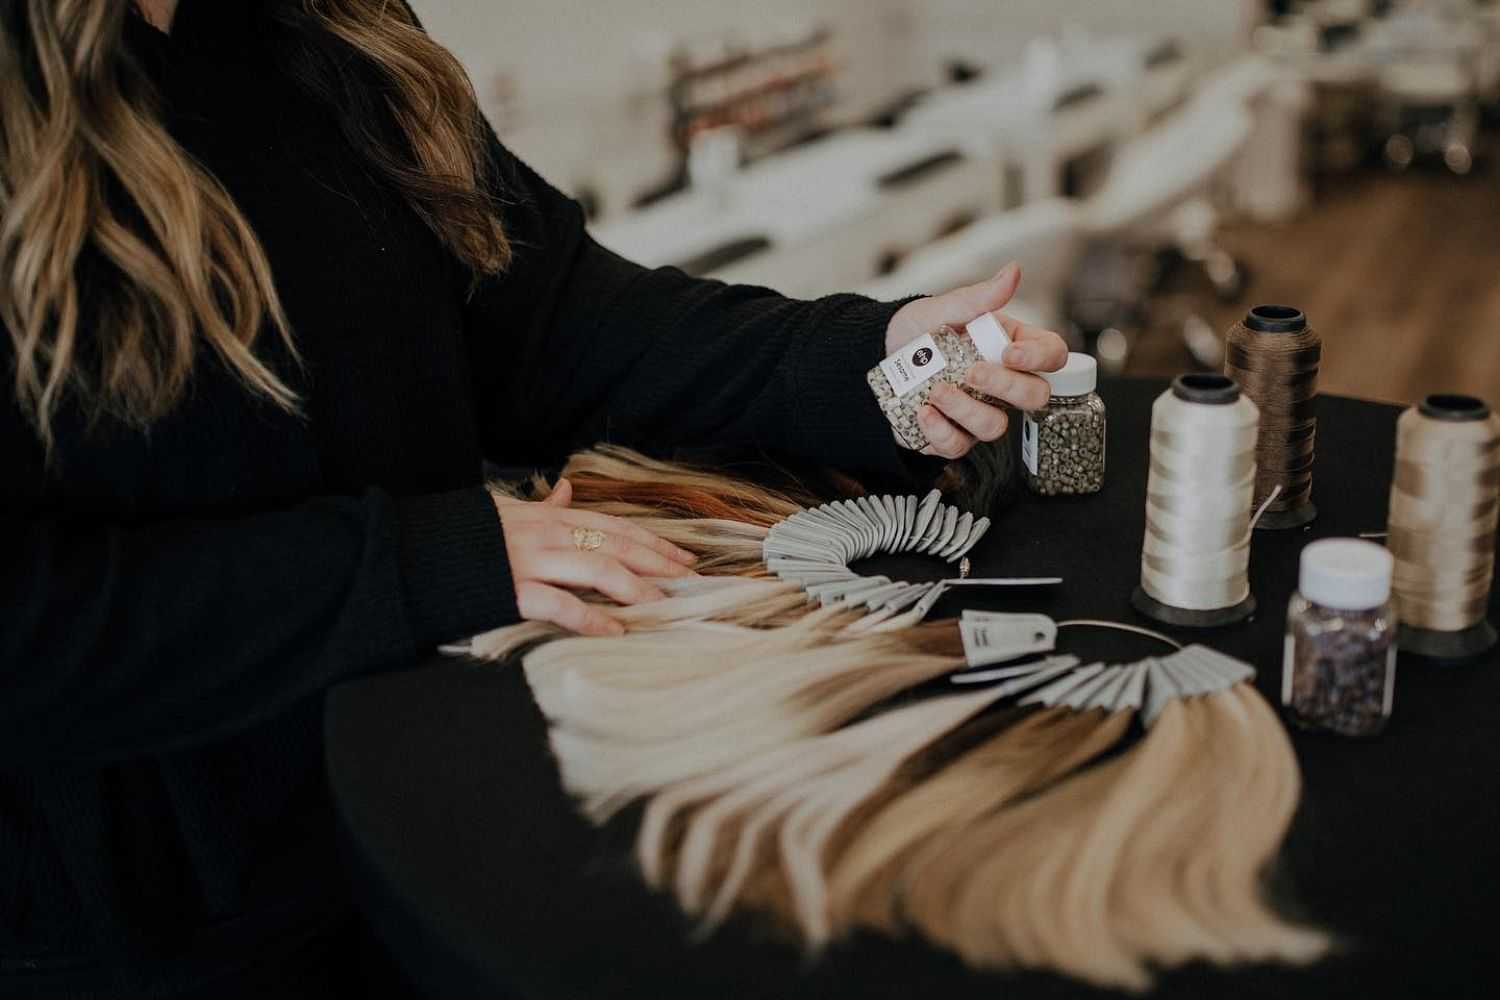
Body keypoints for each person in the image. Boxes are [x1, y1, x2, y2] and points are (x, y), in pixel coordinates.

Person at [0, 0, 1068, 995]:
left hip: (415, 808)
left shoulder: (330, 29)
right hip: (158, 923)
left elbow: (556, 321)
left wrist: (862, 360)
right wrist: (428, 559)